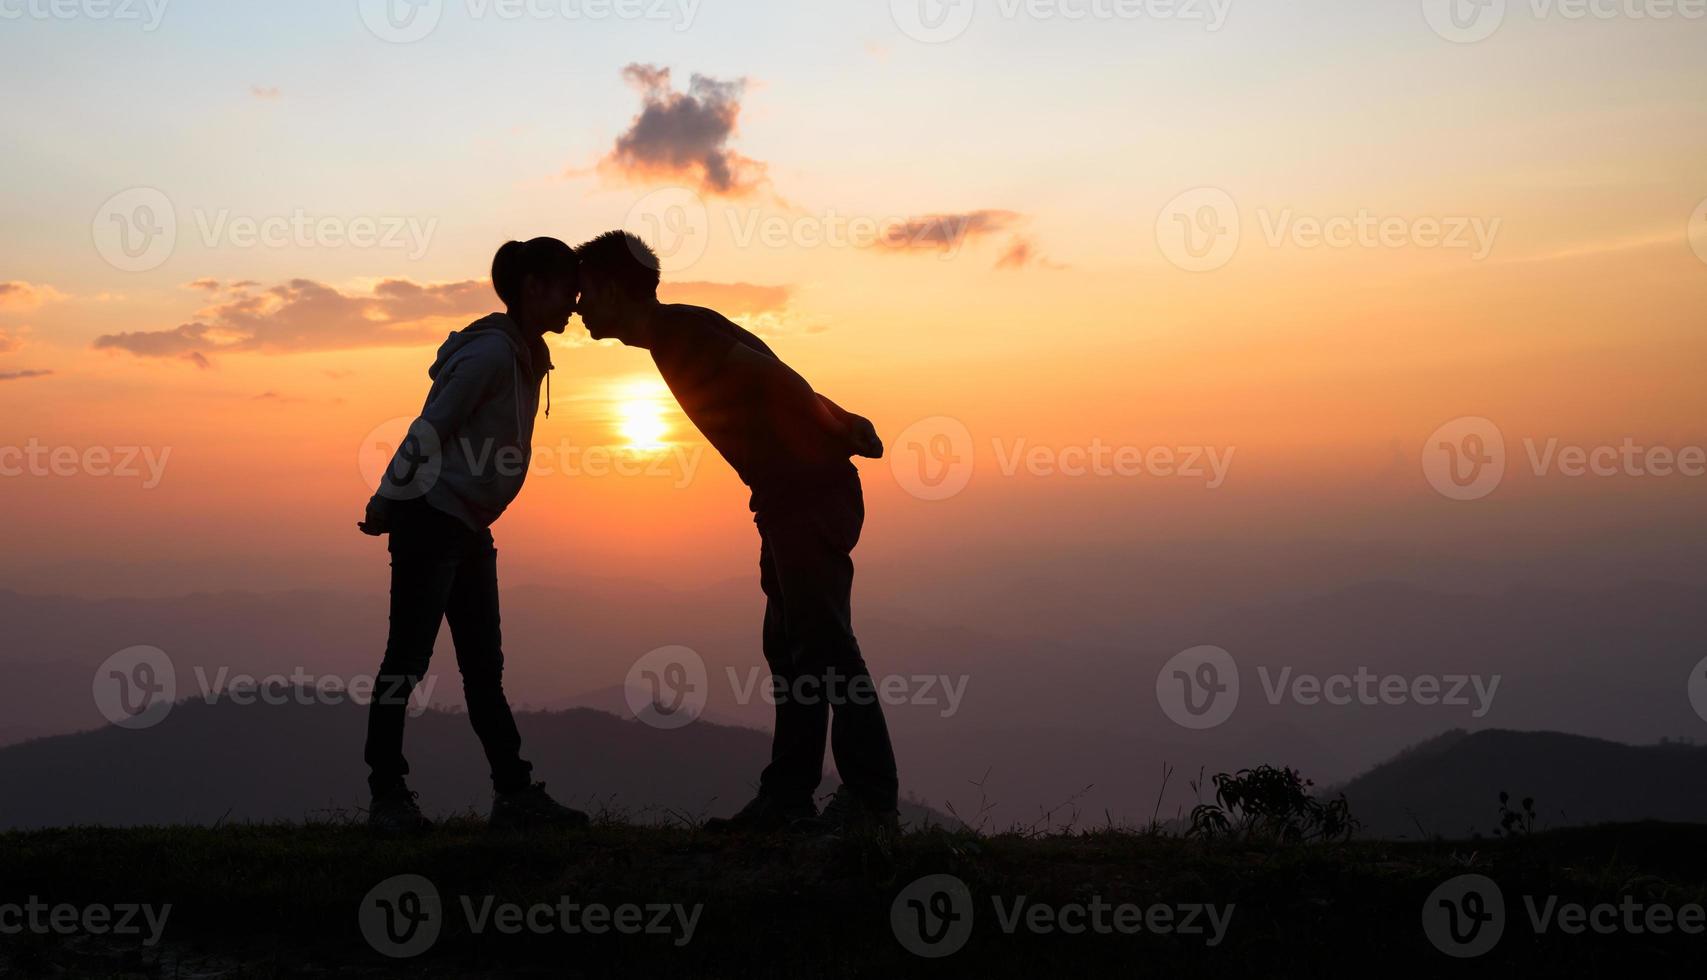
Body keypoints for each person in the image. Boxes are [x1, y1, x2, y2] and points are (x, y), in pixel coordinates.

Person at [574, 230, 900, 835]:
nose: (577, 305)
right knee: (791, 648)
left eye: (586, 291)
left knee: (825, 647)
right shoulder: (680, 329)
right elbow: (771, 373)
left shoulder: (678, 335)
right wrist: (839, 419)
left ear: (616, 290)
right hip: (789, 502)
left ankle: (872, 800)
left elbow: (769, 377)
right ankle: (788, 797)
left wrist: (836, 420)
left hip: (808, 499)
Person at [358, 237, 589, 834]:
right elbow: (430, 427)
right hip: (431, 518)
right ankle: (388, 798)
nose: (575, 302)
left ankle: (513, 794)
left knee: (483, 669)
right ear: (533, 286)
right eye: (567, 289)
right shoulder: (490, 356)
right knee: (406, 662)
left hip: (465, 526)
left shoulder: (523, 353)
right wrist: (388, 496)